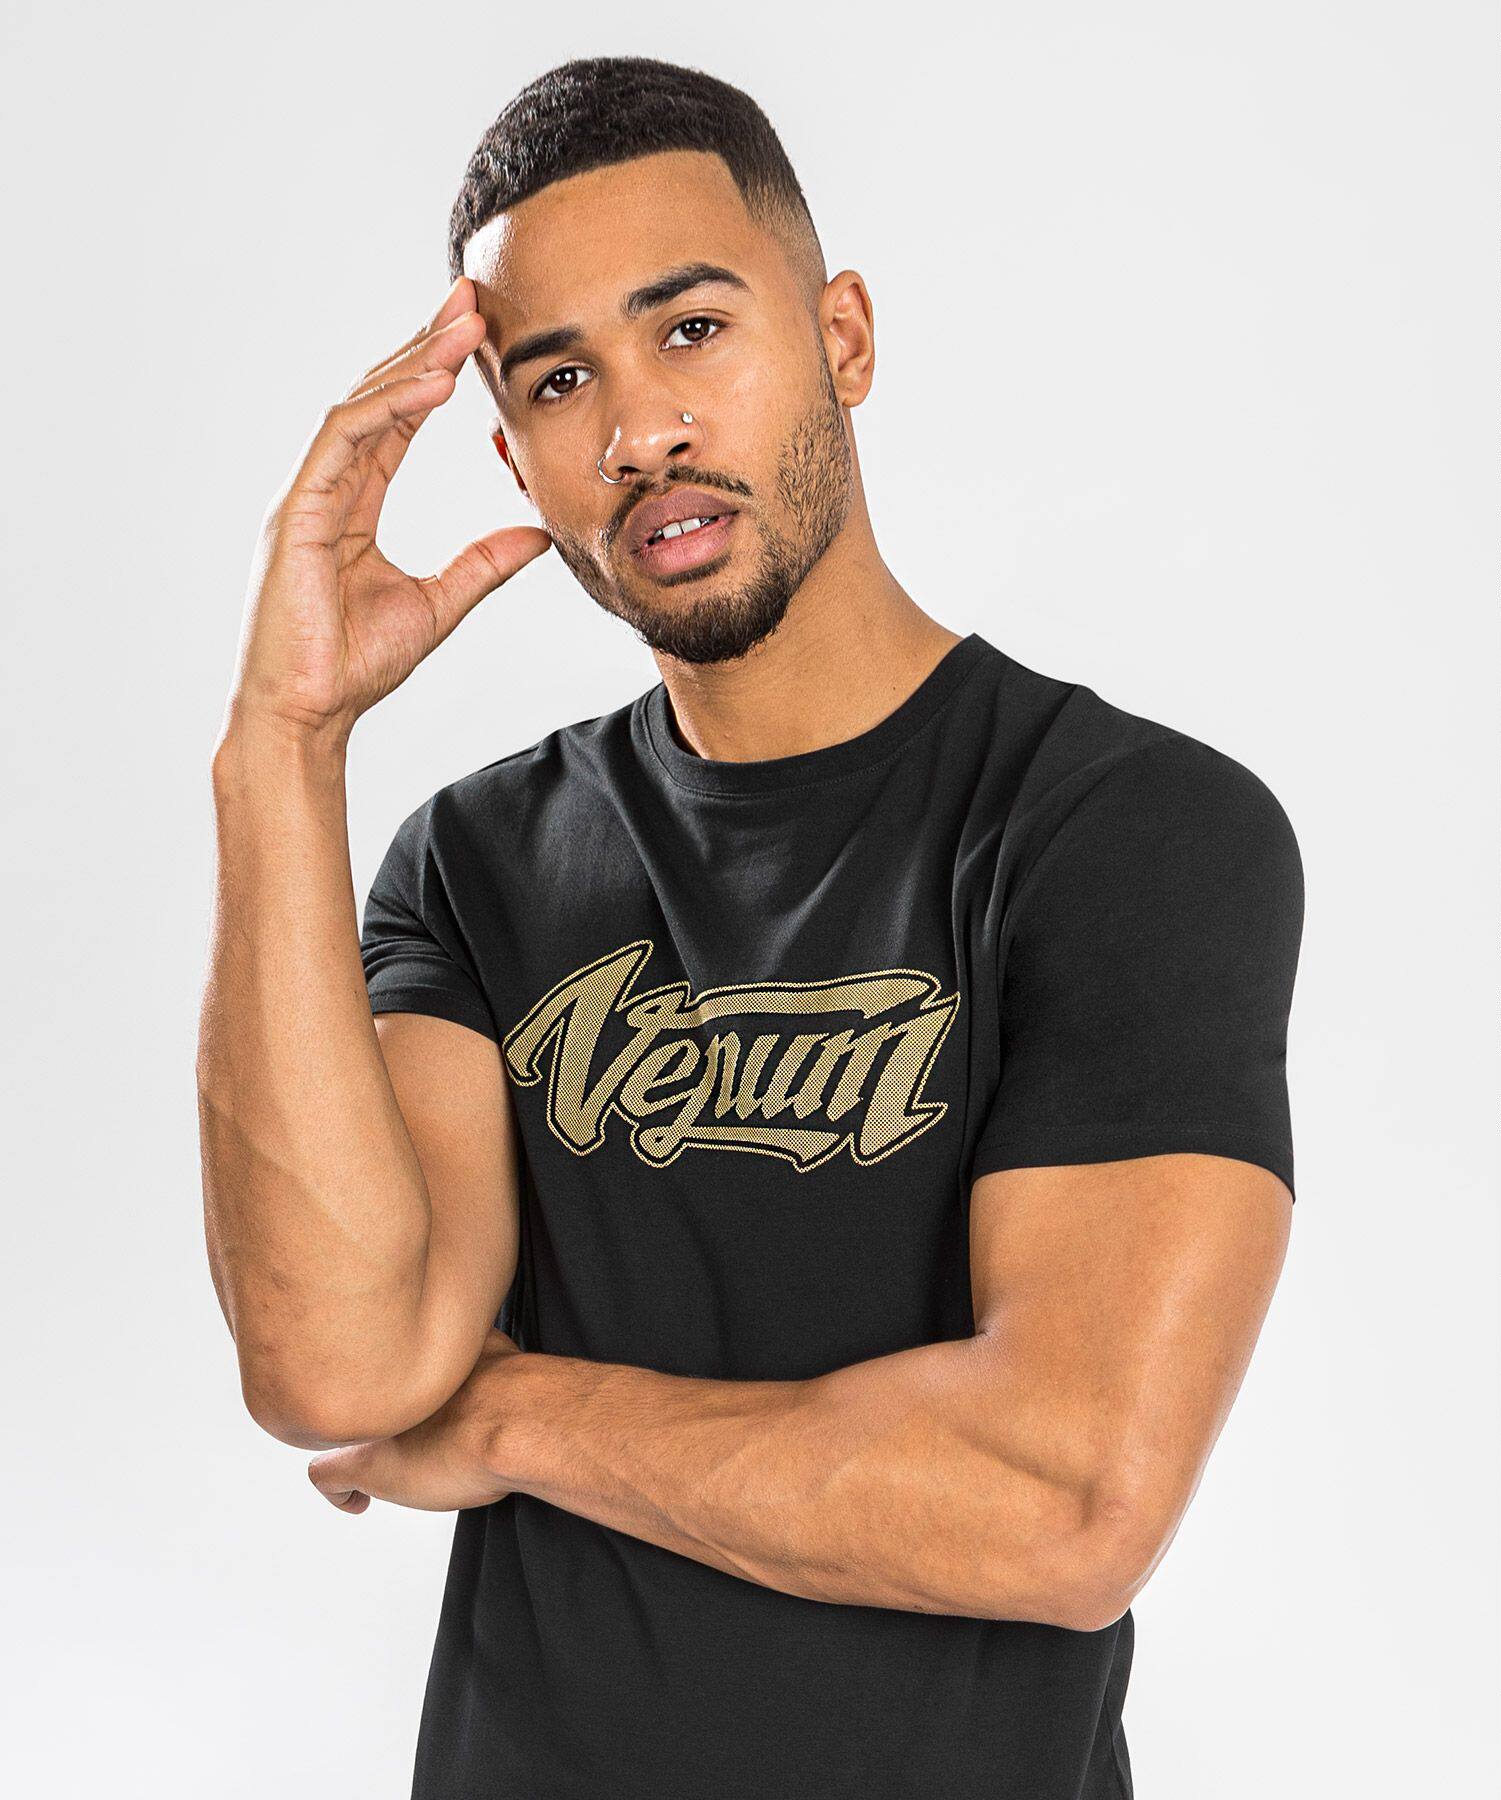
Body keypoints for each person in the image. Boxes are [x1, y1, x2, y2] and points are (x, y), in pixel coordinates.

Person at [197, 54, 1304, 1800]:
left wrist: (506, 1415)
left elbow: (1063, 1504)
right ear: (512, 453)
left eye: (692, 330)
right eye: (562, 378)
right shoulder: (478, 862)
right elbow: (340, 1364)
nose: (638, 430)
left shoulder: (1121, 829)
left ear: (841, 338)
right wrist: (284, 740)